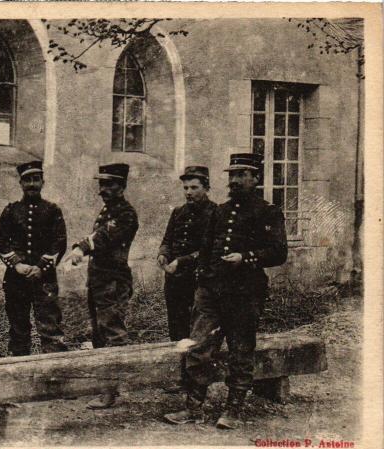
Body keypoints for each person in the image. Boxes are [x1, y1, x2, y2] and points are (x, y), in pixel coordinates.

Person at [164, 153, 288, 429]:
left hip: (245, 293)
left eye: (241, 174)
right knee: (198, 346)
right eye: (231, 174)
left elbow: (279, 252)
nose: (234, 180)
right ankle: (193, 407)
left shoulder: (268, 212)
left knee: (240, 351)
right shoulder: (220, 211)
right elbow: (207, 249)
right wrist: (203, 281)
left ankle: (233, 409)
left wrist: (246, 257)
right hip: (212, 291)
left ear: (256, 178)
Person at [69, 163, 138, 409]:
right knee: (100, 334)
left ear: (122, 186)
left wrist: (80, 248)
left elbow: (103, 237)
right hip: (99, 281)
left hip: (113, 282)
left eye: (110, 184)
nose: (103, 189)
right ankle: (106, 388)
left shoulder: (125, 214)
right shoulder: (108, 211)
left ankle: (111, 391)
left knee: (113, 334)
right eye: (101, 184)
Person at [0, 160, 67, 356]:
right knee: (18, 331)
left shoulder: (52, 210)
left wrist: (40, 267)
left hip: (44, 280)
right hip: (16, 280)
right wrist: (17, 265)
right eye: (27, 180)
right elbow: (1, 242)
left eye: (36, 179)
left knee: (50, 329)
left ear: (43, 182)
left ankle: (54, 376)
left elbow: (59, 242)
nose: (32, 184)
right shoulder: (11, 211)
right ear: (20, 183)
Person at [157, 166, 217, 393]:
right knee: (176, 327)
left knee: (197, 331)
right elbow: (167, 239)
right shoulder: (178, 212)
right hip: (174, 280)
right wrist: (162, 254)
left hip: (197, 279)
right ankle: (181, 377)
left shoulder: (215, 213)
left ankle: (196, 380)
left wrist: (180, 261)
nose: (189, 192)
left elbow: (206, 250)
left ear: (207, 188)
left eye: (194, 187)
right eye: (185, 188)